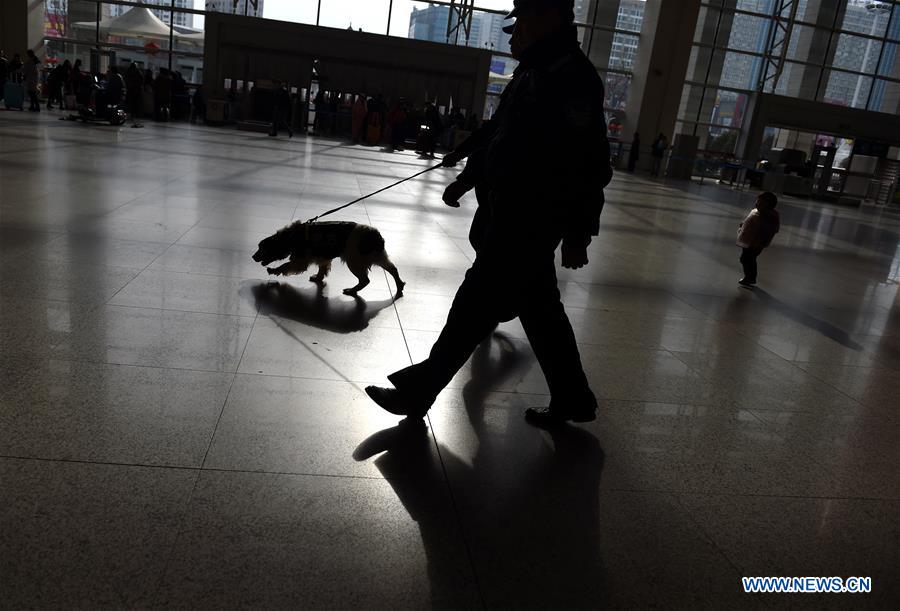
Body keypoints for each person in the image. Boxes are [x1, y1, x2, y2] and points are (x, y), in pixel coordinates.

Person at [365, 0, 613, 428]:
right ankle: (574, 398)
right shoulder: (533, 71)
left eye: (521, 24)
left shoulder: (573, 78)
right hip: (509, 211)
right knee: (541, 312)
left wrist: (578, 232)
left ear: (549, 16)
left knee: (473, 305)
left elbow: (590, 164)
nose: (512, 35)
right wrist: (465, 170)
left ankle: (419, 392)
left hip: (531, 219)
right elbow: (500, 132)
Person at [736, 191, 780, 287]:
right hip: (750, 241)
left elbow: (767, 230)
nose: (757, 204)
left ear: (769, 206)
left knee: (748, 258)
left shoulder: (767, 217)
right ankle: (750, 277)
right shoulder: (757, 212)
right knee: (747, 258)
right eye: (757, 202)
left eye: (760, 203)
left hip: (755, 243)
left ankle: (750, 277)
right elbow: (749, 221)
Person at [124, 62, 144, 127]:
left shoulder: (128, 72)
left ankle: (130, 114)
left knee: (130, 103)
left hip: (130, 90)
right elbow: (141, 81)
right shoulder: (138, 72)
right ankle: (135, 114)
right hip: (136, 91)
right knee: (136, 104)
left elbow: (126, 80)